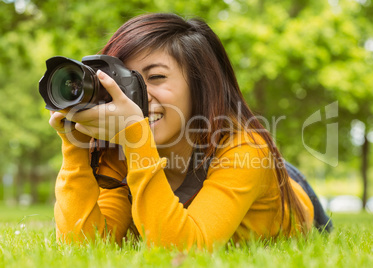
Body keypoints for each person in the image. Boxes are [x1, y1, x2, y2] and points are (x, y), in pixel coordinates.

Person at [49, 13, 332, 251]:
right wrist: (77, 145)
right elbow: (86, 246)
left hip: (282, 189)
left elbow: (183, 251)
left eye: (156, 77)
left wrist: (136, 138)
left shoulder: (246, 149)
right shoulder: (120, 151)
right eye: (122, 81)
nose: (135, 96)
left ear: (200, 85)